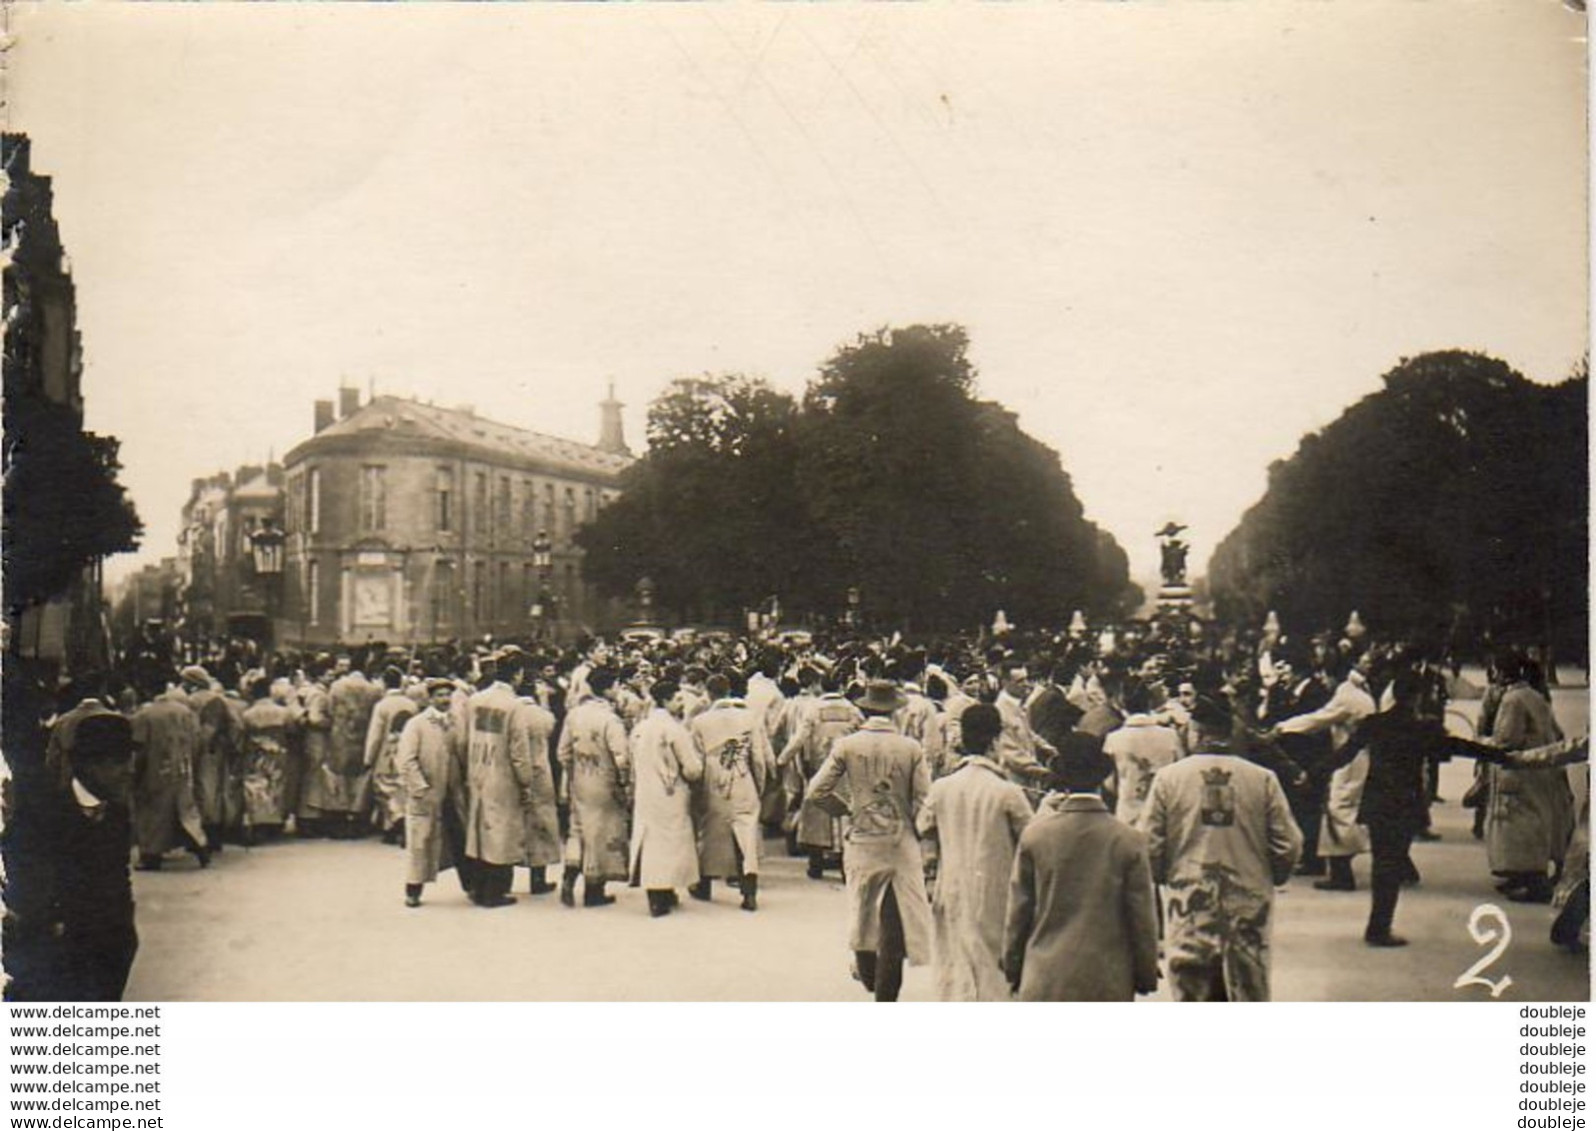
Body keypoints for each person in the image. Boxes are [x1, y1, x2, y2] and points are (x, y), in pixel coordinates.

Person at [1140, 694, 1302, 1002]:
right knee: (1248, 988)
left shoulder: (1168, 779)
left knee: (1192, 991)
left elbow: (1149, 844)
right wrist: (1271, 876)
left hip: (1189, 899)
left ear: (1197, 732)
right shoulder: (1262, 779)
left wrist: (1165, 876)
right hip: (1248, 903)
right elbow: (1288, 844)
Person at [1330, 667, 1502, 946]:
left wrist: (1310, 774)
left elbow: (1344, 755)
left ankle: (1377, 925)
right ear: (1417, 698)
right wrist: (1502, 756)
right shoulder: (1422, 728)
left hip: (1377, 803)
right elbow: (1459, 747)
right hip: (1405, 803)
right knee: (1392, 863)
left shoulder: (1374, 723)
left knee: (1381, 864)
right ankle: (1379, 928)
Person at [1002, 735, 1160, 1002]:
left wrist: (1013, 968)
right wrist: (1145, 974)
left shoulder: (1035, 836)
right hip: (1108, 979)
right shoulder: (1129, 840)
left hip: (1045, 974)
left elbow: (1019, 913)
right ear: (1103, 778)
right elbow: (1141, 919)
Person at [807, 680, 933, 1002]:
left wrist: (846, 810)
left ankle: (868, 975)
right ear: (895, 711)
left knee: (863, 910)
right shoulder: (911, 748)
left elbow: (816, 791)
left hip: (862, 839)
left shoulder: (848, 746)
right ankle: (886, 993)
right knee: (895, 918)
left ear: (864, 709)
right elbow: (925, 799)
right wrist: (920, 831)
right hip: (899, 841)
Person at [917, 703, 1033, 1001]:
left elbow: (924, 829)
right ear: (995, 741)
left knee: (955, 964)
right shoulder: (1007, 792)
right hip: (998, 890)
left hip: (952, 887)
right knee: (994, 970)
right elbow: (1031, 839)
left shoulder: (942, 788)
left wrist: (930, 872)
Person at [1274, 650, 1376, 891]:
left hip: (1351, 757)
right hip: (1355, 754)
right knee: (1343, 808)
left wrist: (1283, 727)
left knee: (1339, 808)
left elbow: (1319, 719)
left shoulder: (1347, 695)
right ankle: (1342, 868)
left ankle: (1342, 873)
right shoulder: (1358, 692)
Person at [1486, 656, 1575, 903]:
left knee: (1520, 827)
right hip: (1540, 769)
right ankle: (1522, 876)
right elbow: (1556, 732)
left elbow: (1507, 740)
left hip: (1521, 770)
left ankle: (1532, 880)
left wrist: (1485, 743)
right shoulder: (1534, 696)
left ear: (1502, 674)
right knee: (1535, 821)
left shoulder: (1511, 699)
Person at [688, 672, 775, 910]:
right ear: (729, 690)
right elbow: (759, 758)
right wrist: (760, 785)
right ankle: (749, 891)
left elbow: (695, 761)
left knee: (710, 831)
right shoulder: (750, 718)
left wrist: (696, 791)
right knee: (745, 834)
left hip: (712, 778)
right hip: (742, 775)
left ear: (708, 693)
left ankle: (704, 884)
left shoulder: (700, 722)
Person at [557, 666, 633, 907]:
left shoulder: (574, 715)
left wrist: (572, 773)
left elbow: (563, 752)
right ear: (609, 688)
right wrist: (625, 783)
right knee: (601, 833)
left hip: (580, 780)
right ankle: (594, 890)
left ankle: (569, 876)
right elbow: (621, 756)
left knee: (577, 829)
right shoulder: (610, 719)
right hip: (604, 782)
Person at [778, 666, 863, 879]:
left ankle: (815, 864)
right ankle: (845, 865)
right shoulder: (852, 710)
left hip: (819, 767)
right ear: (842, 686)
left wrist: (782, 760)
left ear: (820, 687)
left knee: (815, 813)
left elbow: (799, 738)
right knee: (845, 813)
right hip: (846, 769)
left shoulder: (813, 709)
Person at [628, 679, 704, 916]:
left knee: (649, 840)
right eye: (678, 699)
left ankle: (655, 892)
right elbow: (692, 767)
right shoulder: (674, 729)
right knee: (671, 843)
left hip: (645, 790)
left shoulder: (640, 728)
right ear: (666, 701)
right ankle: (666, 889)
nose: (681, 704)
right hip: (671, 792)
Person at [463, 661, 535, 908]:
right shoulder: (514, 706)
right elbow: (519, 750)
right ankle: (495, 892)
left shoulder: (475, 700)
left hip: (478, 769)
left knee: (480, 829)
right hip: (502, 774)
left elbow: (464, 737)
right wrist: (526, 781)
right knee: (502, 832)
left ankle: (477, 887)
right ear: (517, 675)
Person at [394, 679, 469, 908]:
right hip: (426, 795)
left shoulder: (457, 723)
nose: (445, 700)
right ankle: (413, 890)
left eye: (448, 695)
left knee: (461, 840)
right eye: (440, 695)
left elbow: (463, 756)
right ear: (430, 699)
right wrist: (420, 789)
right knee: (420, 844)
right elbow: (406, 760)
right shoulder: (417, 724)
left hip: (453, 794)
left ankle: (472, 885)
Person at [128, 681, 210, 869]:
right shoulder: (185, 712)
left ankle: (151, 855)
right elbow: (197, 739)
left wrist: (135, 771)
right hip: (183, 766)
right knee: (186, 809)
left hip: (156, 769)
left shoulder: (144, 715)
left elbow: (138, 746)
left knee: (153, 813)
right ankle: (201, 846)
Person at [1102, 682, 1182, 827]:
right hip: (1165, 812)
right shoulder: (1171, 736)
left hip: (1128, 813)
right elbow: (1180, 775)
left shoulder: (1113, 739)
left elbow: (1110, 783)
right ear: (1150, 703)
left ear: (1122, 704)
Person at [238, 676, 300, 843]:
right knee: (277, 785)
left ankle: (259, 820)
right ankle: (276, 820)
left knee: (256, 786)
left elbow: (242, 735)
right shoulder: (283, 712)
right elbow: (292, 731)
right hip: (278, 752)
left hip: (256, 754)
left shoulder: (247, 714)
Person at [364, 666, 419, 844]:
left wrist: (369, 757)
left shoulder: (382, 706)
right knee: (403, 787)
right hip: (408, 750)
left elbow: (375, 734)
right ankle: (400, 823)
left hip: (386, 753)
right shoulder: (411, 704)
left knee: (385, 790)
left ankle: (394, 822)